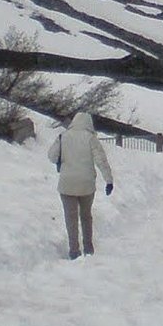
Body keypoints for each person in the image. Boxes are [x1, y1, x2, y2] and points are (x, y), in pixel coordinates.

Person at [49, 110, 114, 258]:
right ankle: (88, 248)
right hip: (86, 185)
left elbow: (52, 157)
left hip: (66, 185)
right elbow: (101, 161)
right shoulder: (91, 138)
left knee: (70, 218)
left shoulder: (63, 136)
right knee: (86, 216)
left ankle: (74, 251)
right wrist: (109, 180)